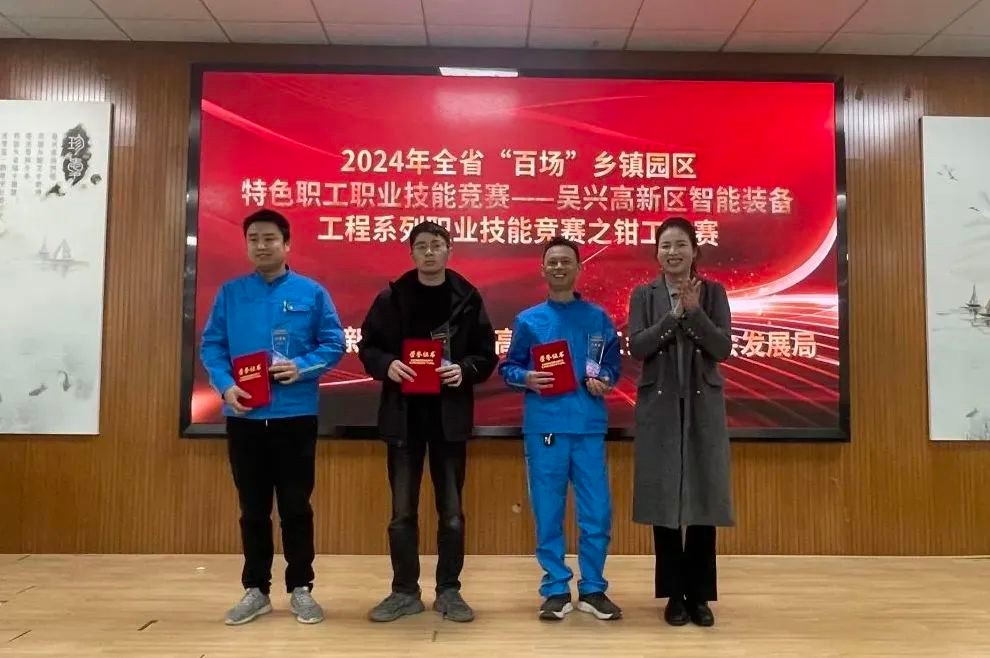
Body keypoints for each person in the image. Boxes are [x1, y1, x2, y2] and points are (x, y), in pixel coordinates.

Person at [200, 209, 345, 626]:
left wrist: (302, 366)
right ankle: (256, 590)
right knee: (253, 508)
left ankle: (301, 588)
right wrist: (225, 386)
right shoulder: (231, 293)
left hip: (294, 415)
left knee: (296, 506)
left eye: (269, 239)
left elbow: (334, 343)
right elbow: (212, 346)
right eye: (254, 239)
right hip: (244, 416)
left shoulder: (311, 292)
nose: (261, 246)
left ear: (287, 244)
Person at [357, 221, 497, 623]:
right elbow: (368, 347)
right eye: (422, 246)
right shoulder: (392, 297)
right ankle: (404, 591)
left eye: (437, 245)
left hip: (448, 421)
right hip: (404, 420)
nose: (430, 252)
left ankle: (449, 590)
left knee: (451, 512)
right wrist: (388, 364)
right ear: (411, 252)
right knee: (402, 513)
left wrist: (464, 369)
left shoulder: (467, 298)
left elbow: (487, 355)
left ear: (449, 250)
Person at [498, 237, 623, 622]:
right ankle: (555, 588)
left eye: (566, 261)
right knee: (548, 512)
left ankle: (593, 588)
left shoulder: (598, 318)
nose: (558, 267)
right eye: (552, 261)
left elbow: (612, 365)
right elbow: (508, 367)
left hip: (588, 427)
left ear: (578, 268)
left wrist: (604, 380)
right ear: (543, 269)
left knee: (597, 513)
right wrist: (526, 378)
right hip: (545, 428)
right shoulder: (529, 320)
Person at [626, 217, 734, 627]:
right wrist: (673, 316)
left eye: (680, 245)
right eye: (665, 246)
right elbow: (638, 346)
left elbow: (722, 347)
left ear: (694, 250)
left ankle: (700, 596)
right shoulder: (644, 294)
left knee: (704, 499)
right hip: (660, 405)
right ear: (657, 253)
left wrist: (695, 312)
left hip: (703, 405)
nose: (673, 252)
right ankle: (674, 595)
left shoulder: (714, 292)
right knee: (664, 500)